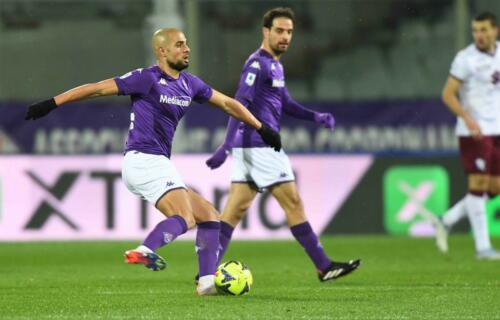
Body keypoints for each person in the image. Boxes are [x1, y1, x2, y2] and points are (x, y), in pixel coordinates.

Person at [25, 28, 282, 295]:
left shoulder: (189, 83)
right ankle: (145, 249)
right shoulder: (146, 78)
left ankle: (206, 283)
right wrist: (52, 103)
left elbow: (228, 104)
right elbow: (96, 89)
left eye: (187, 44)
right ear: (162, 51)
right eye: (179, 45)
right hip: (144, 159)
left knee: (208, 215)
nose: (187, 49)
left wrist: (261, 127)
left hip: (154, 162)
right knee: (184, 216)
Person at [205, 7, 360, 282]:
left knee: (235, 208)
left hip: (251, 147)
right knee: (294, 203)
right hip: (260, 145)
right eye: (279, 31)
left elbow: (284, 102)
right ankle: (323, 266)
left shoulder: (276, 65)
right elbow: (238, 104)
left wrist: (315, 116)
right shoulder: (257, 64)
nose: (285, 36)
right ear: (265, 31)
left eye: (289, 32)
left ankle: (207, 271)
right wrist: (225, 146)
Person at [435, 12, 500, 260]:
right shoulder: (465, 59)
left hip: (497, 131)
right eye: (475, 30)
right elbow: (448, 94)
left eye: (484, 30)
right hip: (473, 132)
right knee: (478, 185)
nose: (479, 35)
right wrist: (468, 118)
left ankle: (446, 219)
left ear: (495, 30)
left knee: (494, 188)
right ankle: (483, 248)